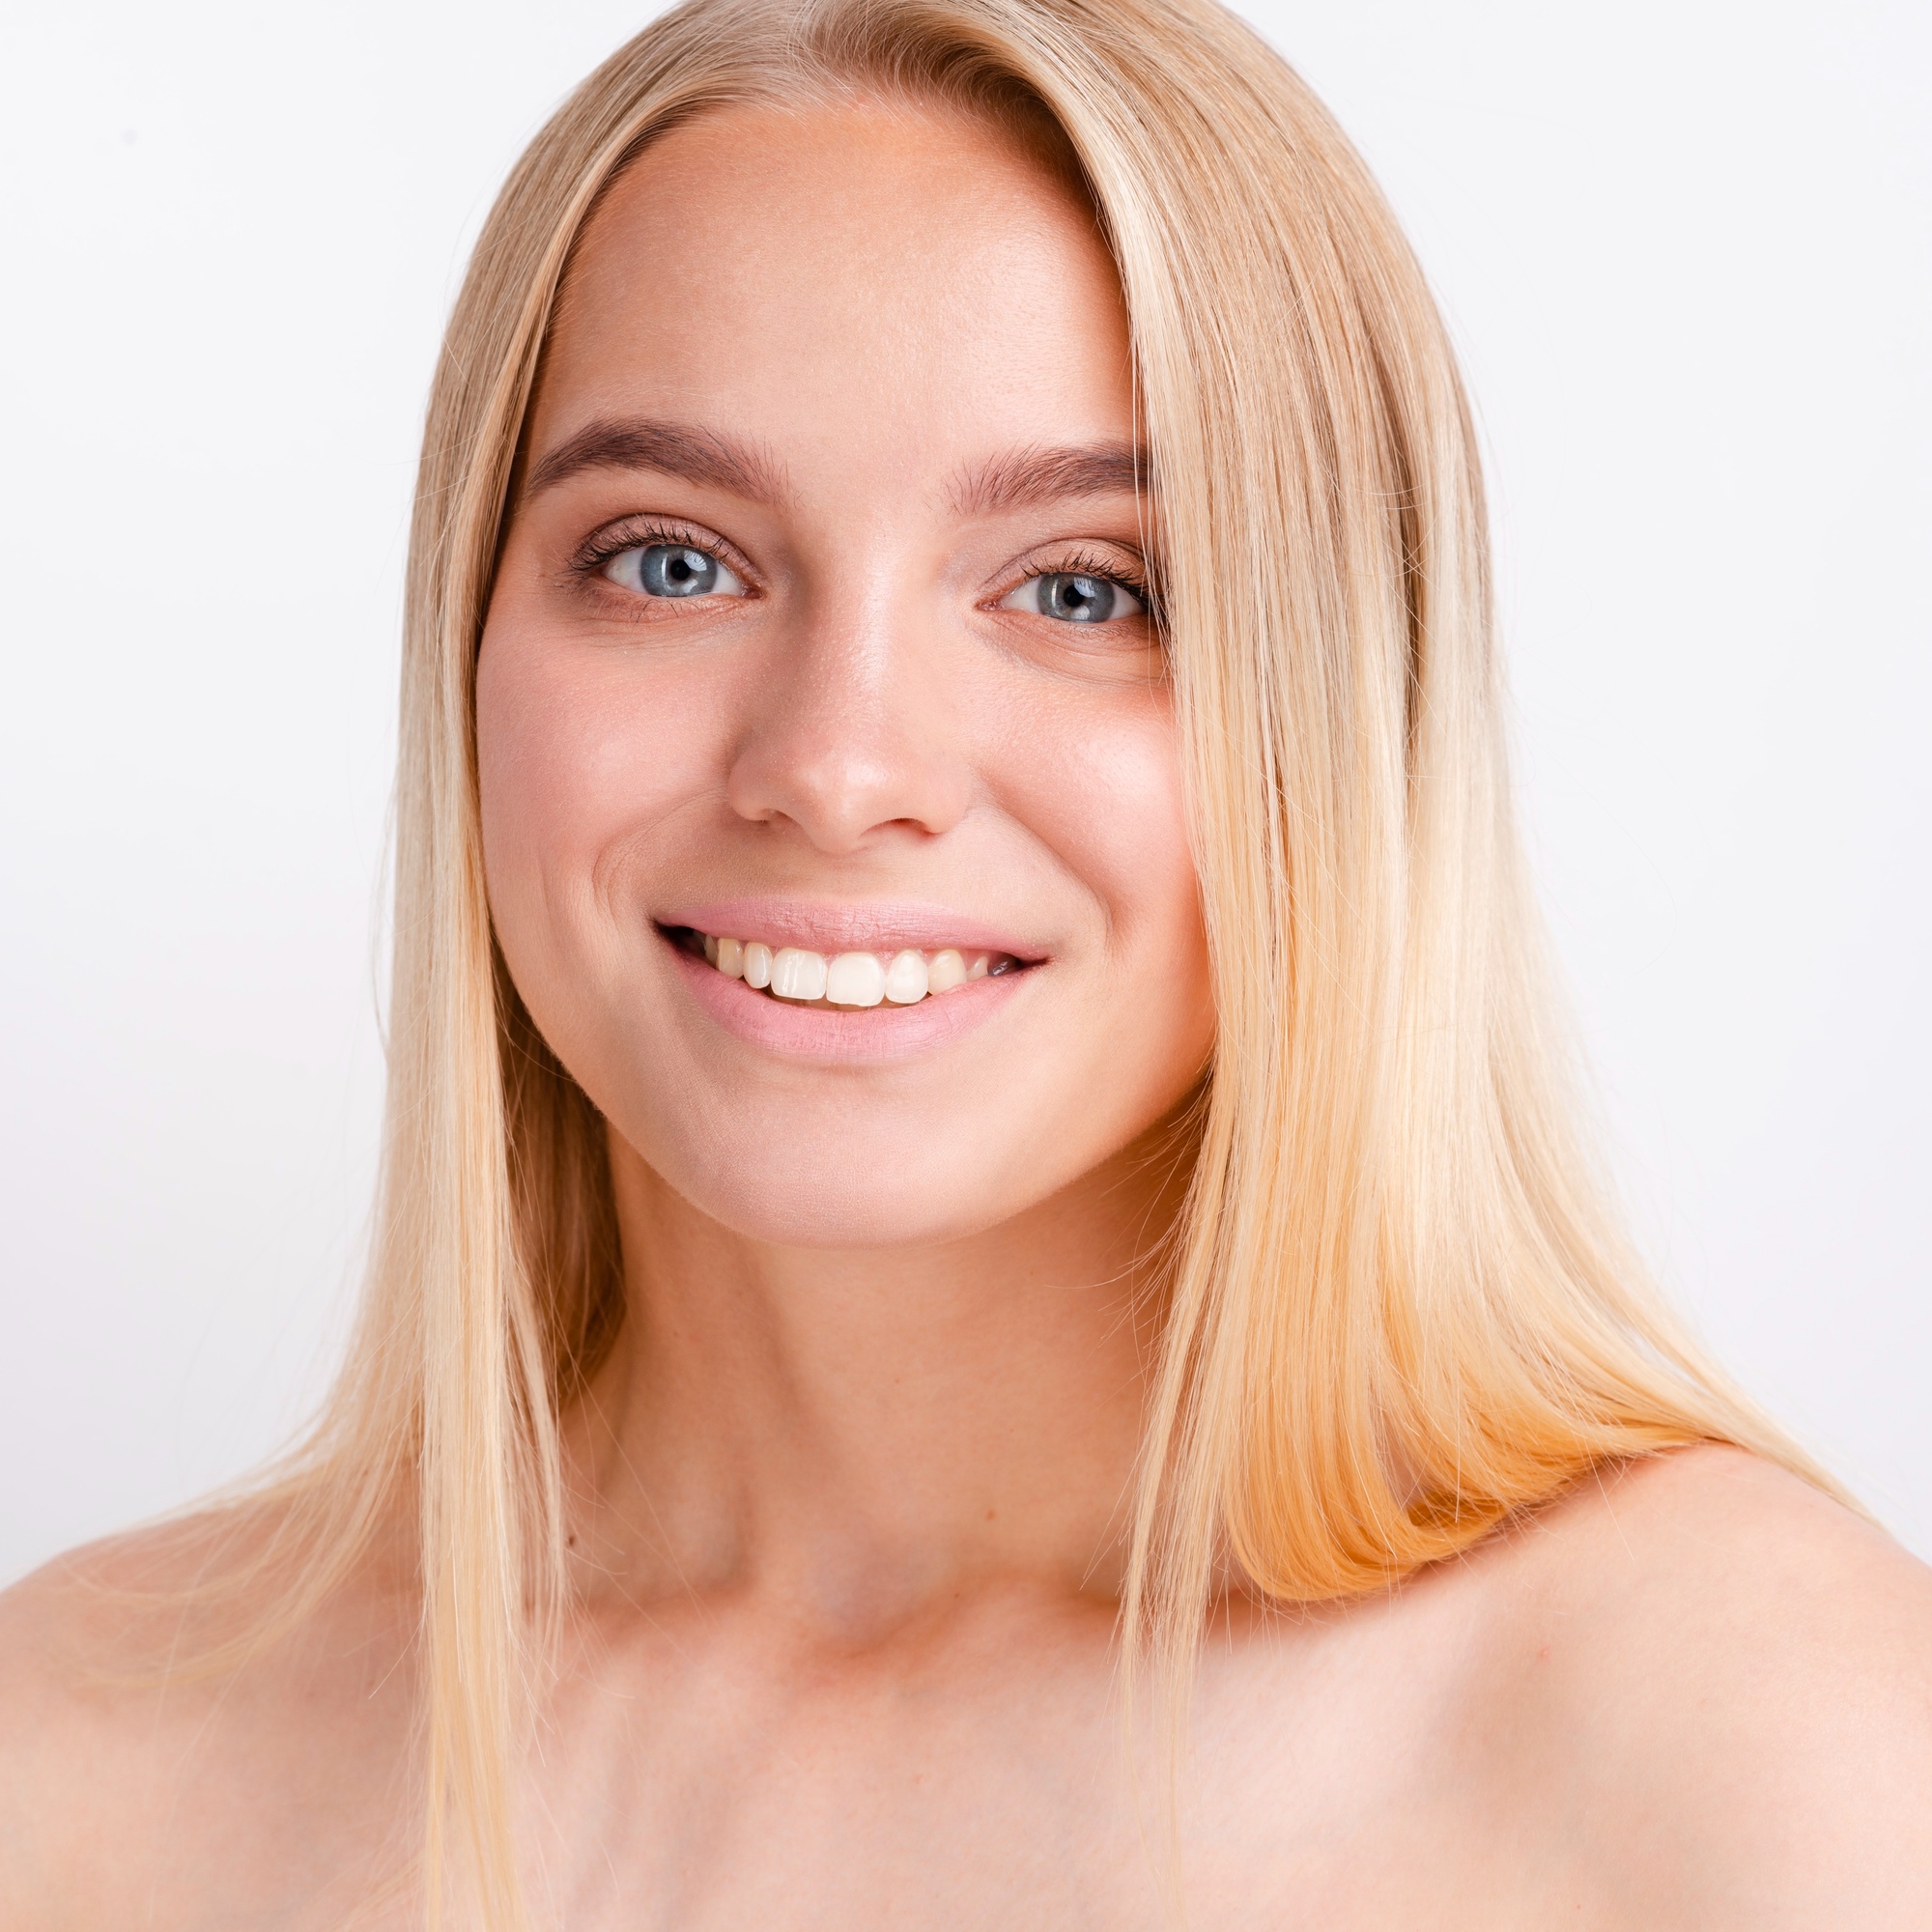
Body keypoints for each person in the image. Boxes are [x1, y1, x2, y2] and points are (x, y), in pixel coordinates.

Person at [3, 0, 1928, 1923]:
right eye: (673, 559)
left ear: (1345, 721)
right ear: (469, 649)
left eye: (1084, 588)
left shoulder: (1743, 1735)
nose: (836, 769)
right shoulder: (84, 1753)